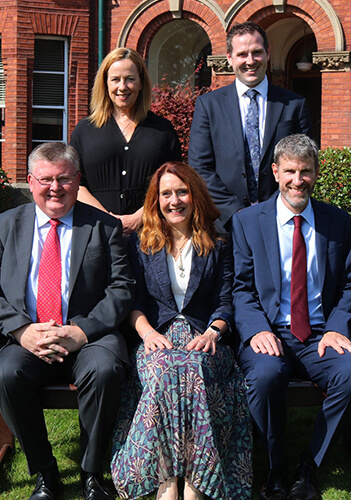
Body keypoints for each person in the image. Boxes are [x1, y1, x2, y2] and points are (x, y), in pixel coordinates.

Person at [0, 142, 135, 500]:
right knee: (3, 377)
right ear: (31, 182)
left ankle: (93, 472)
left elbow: (122, 288)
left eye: (63, 178)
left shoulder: (104, 226)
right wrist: (21, 330)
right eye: (46, 179)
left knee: (105, 370)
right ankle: (45, 472)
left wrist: (81, 331)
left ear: (78, 181)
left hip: (89, 337)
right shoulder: (5, 226)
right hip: (28, 336)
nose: (55, 188)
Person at [231, 134, 351, 500]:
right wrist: (257, 329)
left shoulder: (336, 221)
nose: (297, 180)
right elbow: (241, 288)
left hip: (321, 334)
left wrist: (338, 328)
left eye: (305, 171)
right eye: (290, 170)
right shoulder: (247, 221)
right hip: (270, 332)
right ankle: (275, 469)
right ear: (275, 172)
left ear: (316, 173)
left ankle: (308, 467)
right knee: (263, 378)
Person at [110, 162, 252, 500]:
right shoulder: (140, 244)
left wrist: (213, 332)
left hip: (205, 338)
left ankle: (190, 482)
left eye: (182, 192)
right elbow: (133, 300)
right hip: (155, 335)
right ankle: (171, 479)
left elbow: (225, 300)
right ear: (155, 200)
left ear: (195, 195)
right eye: (166, 194)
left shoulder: (219, 243)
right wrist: (145, 334)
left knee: (192, 368)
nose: (175, 201)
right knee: (164, 370)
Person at [188, 21, 313, 232]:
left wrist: (271, 210)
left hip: (279, 222)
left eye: (256, 52)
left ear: (268, 53)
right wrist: (235, 212)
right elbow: (199, 167)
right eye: (242, 54)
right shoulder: (208, 105)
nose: (250, 61)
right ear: (229, 58)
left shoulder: (294, 105)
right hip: (224, 225)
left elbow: (304, 163)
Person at [69, 47, 181, 236]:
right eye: (115, 79)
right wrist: (107, 220)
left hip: (151, 233)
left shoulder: (163, 130)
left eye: (130, 79)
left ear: (141, 83)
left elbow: (175, 183)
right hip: (95, 233)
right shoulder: (84, 130)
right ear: (105, 84)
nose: (122, 87)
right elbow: (75, 183)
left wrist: (140, 217)